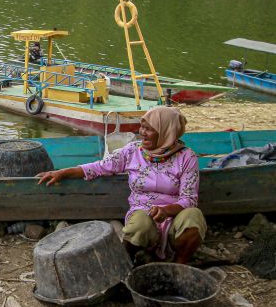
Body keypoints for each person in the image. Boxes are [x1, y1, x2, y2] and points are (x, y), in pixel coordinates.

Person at [37, 106, 205, 264]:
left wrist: (166, 211)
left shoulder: (187, 157)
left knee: (193, 216)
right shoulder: (132, 151)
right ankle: (124, 261)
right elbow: (99, 167)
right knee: (141, 223)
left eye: (149, 129)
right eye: (142, 127)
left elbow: (189, 199)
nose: (142, 133)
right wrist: (62, 173)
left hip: (174, 218)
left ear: (166, 132)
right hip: (143, 214)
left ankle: (179, 265)